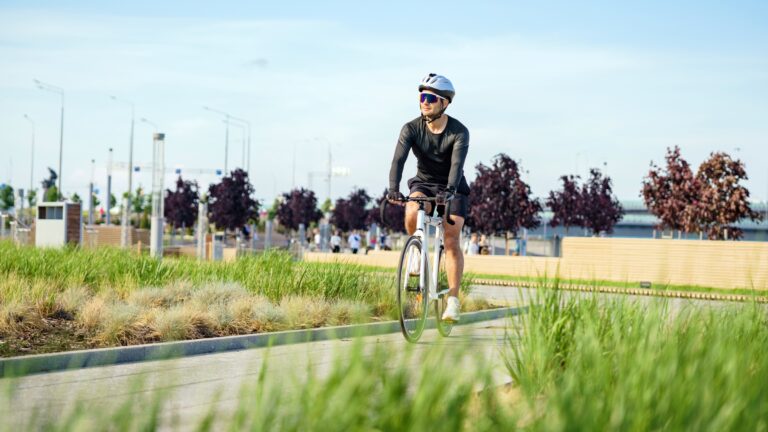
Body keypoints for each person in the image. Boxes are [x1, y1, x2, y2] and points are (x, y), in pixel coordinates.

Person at [387, 73, 469, 323]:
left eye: (430, 98)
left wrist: (451, 190)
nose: (425, 102)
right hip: (423, 183)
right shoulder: (411, 128)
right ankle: (416, 252)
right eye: (422, 96)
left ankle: (453, 301)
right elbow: (398, 160)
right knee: (412, 210)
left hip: (452, 187)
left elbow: (456, 165)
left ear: (444, 103)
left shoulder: (459, 132)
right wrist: (393, 187)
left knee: (452, 238)